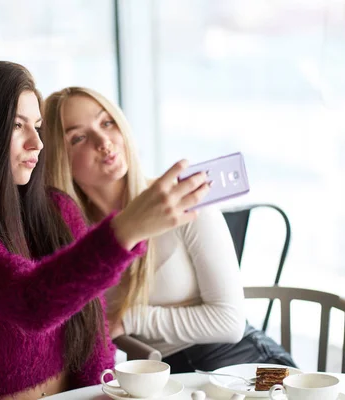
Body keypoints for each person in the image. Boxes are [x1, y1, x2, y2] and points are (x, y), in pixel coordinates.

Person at [0, 61, 210, 400]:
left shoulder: (57, 210)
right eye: (17, 126)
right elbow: (32, 301)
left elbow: (92, 333)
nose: (37, 143)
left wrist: (96, 394)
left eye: (38, 126)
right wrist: (127, 229)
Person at [43, 86, 297, 373]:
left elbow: (230, 322)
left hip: (244, 366)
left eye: (107, 122)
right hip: (167, 380)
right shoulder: (75, 243)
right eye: (79, 137)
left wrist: (129, 319)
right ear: (59, 157)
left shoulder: (182, 202)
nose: (104, 142)